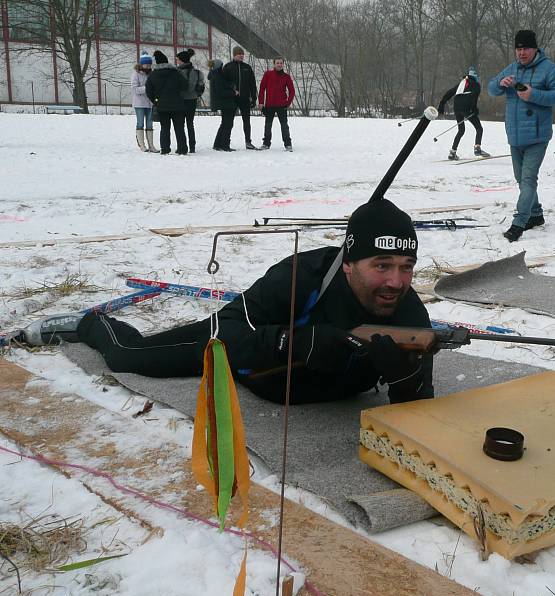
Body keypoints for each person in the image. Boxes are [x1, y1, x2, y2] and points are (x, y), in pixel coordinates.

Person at [70, 198, 433, 405]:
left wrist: (405, 378)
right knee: (127, 356)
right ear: (349, 263)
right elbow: (228, 334)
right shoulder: (301, 276)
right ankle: (88, 323)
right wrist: (298, 342)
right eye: (381, 265)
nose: (395, 282)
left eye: (406, 267)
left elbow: (417, 411)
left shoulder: (409, 313)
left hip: (313, 397)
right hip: (248, 367)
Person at [488, 30, 555, 242]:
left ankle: (519, 223)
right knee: (521, 179)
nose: (521, 53)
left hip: (537, 136)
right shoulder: (512, 68)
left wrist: (533, 94)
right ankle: (536, 214)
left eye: (526, 49)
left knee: (528, 179)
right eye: (518, 49)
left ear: (535, 49)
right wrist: (500, 84)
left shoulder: (548, 69)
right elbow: (490, 88)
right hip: (514, 136)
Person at [437, 67, 489, 161]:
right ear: (476, 76)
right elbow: (474, 97)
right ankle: (477, 148)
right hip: (466, 108)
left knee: (461, 130)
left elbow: (449, 93)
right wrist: (474, 109)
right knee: (479, 128)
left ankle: (452, 152)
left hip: (457, 108)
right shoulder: (476, 84)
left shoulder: (462, 83)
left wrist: (442, 104)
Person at [145, 50, 188, 155]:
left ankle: (165, 149)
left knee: (164, 128)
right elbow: (185, 86)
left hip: (161, 105)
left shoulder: (153, 74)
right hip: (177, 105)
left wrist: (155, 100)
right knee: (179, 128)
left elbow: (148, 90)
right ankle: (182, 149)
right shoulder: (176, 72)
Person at [223, 46, 259, 150]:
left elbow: (252, 84)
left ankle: (248, 142)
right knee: (229, 121)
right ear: (234, 55)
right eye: (239, 54)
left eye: (242, 54)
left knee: (246, 121)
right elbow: (224, 83)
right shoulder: (228, 67)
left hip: (244, 98)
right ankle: (226, 142)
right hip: (232, 99)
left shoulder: (247, 67)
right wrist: (231, 90)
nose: (241, 56)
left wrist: (254, 98)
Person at [257, 57, 296, 151]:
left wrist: (288, 102)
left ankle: (288, 144)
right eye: (277, 63)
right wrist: (261, 102)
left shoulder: (286, 76)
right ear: (274, 64)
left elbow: (292, 91)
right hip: (269, 105)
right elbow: (262, 88)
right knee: (268, 125)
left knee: (284, 125)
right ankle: (266, 144)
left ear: (283, 64)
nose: (279, 65)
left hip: (282, 105)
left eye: (281, 63)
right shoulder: (268, 74)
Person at [176, 49, 204, 154]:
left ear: (182, 61)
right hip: (192, 100)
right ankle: (192, 146)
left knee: (180, 124)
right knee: (190, 124)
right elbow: (201, 86)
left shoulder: (177, 72)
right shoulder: (197, 72)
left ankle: (182, 146)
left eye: (178, 60)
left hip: (181, 101)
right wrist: (196, 95)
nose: (177, 61)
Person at [207, 59, 237, 152]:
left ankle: (217, 144)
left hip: (223, 103)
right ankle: (224, 145)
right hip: (226, 103)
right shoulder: (217, 76)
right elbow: (221, 92)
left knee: (224, 124)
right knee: (228, 124)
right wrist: (233, 92)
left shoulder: (214, 75)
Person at [131, 52, 158, 152]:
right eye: (146, 64)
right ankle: (142, 144)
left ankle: (151, 145)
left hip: (150, 103)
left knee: (150, 123)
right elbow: (135, 89)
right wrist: (147, 88)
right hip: (139, 103)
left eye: (149, 64)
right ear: (141, 64)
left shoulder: (152, 74)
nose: (148, 66)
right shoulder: (136, 74)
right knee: (140, 123)